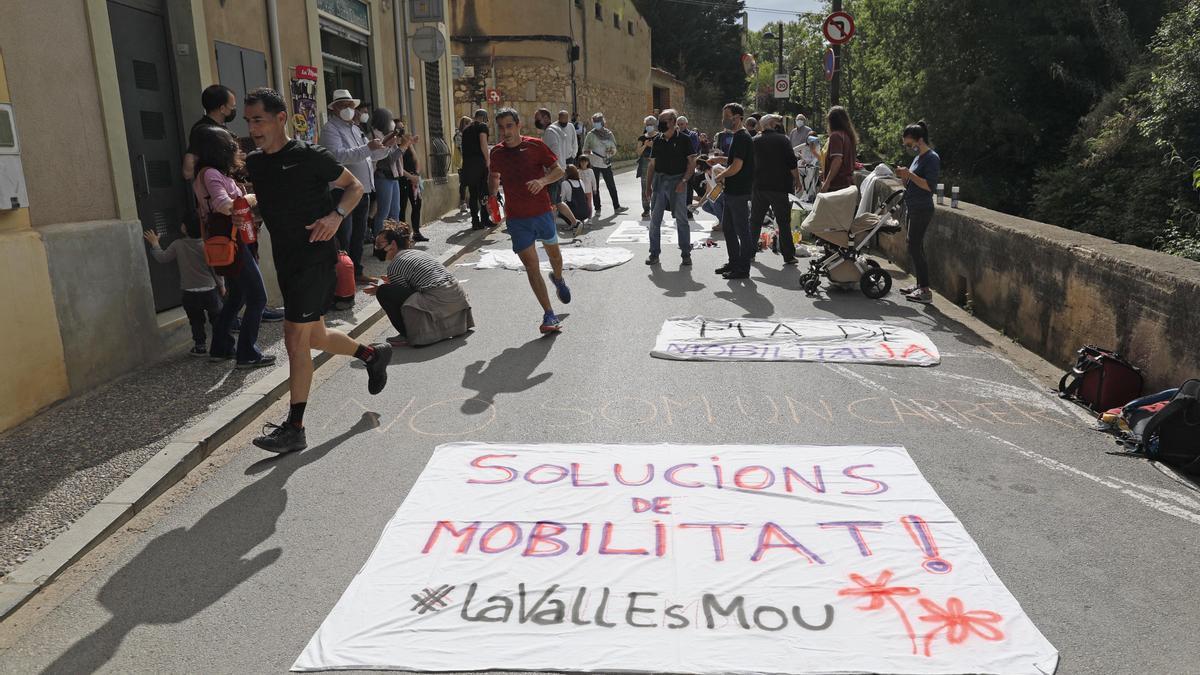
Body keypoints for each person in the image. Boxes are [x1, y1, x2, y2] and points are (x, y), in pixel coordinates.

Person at [242, 87, 393, 454]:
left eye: (258, 120)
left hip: (315, 257)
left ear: (280, 119)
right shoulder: (257, 163)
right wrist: (249, 207)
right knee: (316, 337)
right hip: (286, 258)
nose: (253, 128)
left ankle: (295, 427)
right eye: (248, 121)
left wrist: (335, 216)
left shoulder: (310, 156)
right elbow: (273, 199)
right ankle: (372, 355)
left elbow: (354, 187)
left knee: (295, 339)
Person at [190, 126, 273, 368]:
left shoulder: (212, 173)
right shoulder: (211, 174)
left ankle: (221, 346)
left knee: (237, 295)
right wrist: (251, 198)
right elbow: (225, 205)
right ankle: (247, 353)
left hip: (232, 238)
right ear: (220, 149)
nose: (237, 148)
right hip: (232, 239)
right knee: (258, 296)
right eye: (232, 144)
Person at [487, 107, 570, 333]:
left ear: (518, 126)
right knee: (532, 267)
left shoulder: (535, 145)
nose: (506, 132)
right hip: (517, 219)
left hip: (542, 212)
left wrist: (542, 181)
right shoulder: (497, 153)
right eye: (502, 127)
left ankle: (559, 279)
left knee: (555, 256)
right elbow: (494, 176)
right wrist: (492, 197)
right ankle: (549, 314)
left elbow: (559, 170)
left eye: (509, 126)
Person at [319, 89, 396, 283]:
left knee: (358, 235)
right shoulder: (330, 129)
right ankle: (343, 275)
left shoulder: (355, 128)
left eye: (350, 105)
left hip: (363, 190)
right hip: (343, 191)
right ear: (334, 108)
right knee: (345, 234)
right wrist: (368, 148)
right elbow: (338, 156)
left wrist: (386, 147)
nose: (348, 109)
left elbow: (370, 155)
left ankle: (356, 271)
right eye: (343, 105)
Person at [367, 224, 474, 347]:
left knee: (384, 292)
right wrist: (393, 284)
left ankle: (407, 334)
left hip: (439, 298)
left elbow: (402, 299)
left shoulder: (395, 266)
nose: (376, 248)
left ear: (393, 245)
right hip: (456, 295)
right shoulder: (418, 254)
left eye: (379, 245)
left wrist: (381, 289)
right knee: (388, 289)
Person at [143, 221, 224, 357]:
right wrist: (221, 286)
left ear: (185, 227)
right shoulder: (206, 244)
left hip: (189, 292)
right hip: (209, 289)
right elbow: (215, 269)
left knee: (196, 320)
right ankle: (220, 346)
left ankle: (200, 346)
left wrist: (155, 243)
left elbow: (162, 258)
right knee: (216, 319)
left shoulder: (178, 244)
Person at [643, 108, 698, 267]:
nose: (659, 124)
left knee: (681, 219)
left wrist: (684, 181)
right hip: (660, 182)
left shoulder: (685, 140)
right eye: (659, 121)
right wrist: (648, 187)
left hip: (678, 181)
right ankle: (654, 253)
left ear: (673, 122)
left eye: (663, 121)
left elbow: (692, 163)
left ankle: (686, 254)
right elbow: (652, 165)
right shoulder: (658, 140)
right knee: (655, 220)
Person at [896, 120, 941, 305]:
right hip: (913, 206)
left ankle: (925, 290)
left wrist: (910, 175)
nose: (908, 147)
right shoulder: (917, 158)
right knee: (914, 245)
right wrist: (903, 176)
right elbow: (912, 181)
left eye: (909, 144)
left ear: (919, 140)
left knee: (915, 246)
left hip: (922, 208)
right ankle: (919, 284)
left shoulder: (932, 158)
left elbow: (929, 186)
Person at [709, 102, 755, 279]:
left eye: (726, 116)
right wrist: (721, 159)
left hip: (739, 191)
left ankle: (743, 268)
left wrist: (721, 176)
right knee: (728, 228)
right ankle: (734, 262)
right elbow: (736, 159)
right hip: (732, 191)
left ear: (737, 118)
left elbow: (737, 166)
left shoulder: (742, 137)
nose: (724, 120)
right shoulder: (738, 137)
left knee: (742, 230)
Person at [750, 114, 801, 265]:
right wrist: (797, 180)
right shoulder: (783, 140)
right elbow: (792, 163)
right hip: (779, 187)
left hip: (759, 187)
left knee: (755, 221)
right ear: (772, 124)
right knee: (784, 221)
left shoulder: (754, 141)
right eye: (777, 122)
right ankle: (788, 256)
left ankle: (749, 252)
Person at [182, 84, 237, 181]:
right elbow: (188, 170)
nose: (234, 109)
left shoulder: (221, 129)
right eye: (232, 106)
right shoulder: (203, 131)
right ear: (222, 109)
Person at [369, 108, 404, 240]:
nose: (391, 122)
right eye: (389, 119)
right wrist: (402, 147)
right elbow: (388, 159)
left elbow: (396, 157)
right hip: (382, 176)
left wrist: (403, 145)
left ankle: (393, 242)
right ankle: (379, 244)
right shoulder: (373, 135)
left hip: (392, 177)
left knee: (395, 211)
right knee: (383, 212)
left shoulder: (389, 134)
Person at [582, 112, 625, 216]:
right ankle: (597, 208)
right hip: (594, 164)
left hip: (606, 163)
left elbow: (614, 147)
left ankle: (617, 206)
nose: (596, 124)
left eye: (598, 122)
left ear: (602, 122)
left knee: (611, 186)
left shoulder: (609, 134)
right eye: (594, 122)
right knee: (595, 187)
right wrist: (588, 152)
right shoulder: (590, 135)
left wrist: (611, 152)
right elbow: (584, 149)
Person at [462, 108, 493, 230]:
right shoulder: (482, 127)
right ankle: (485, 219)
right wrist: (488, 160)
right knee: (483, 193)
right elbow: (483, 143)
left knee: (473, 194)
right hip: (479, 163)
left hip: (468, 164)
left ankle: (475, 221)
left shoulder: (466, 130)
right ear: (484, 118)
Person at [397, 131, 428, 242]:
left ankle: (416, 232)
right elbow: (399, 166)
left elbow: (416, 160)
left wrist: (417, 175)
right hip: (403, 180)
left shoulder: (409, 145)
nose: (404, 132)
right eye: (400, 129)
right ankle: (403, 236)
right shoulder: (397, 147)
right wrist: (410, 177)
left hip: (414, 180)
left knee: (417, 205)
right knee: (402, 207)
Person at [819, 105, 858, 193]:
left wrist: (827, 183)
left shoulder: (835, 136)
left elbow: (837, 160)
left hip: (836, 185)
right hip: (847, 183)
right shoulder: (848, 136)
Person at [534, 108, 567, 208]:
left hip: (553, 171)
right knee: (557, 202)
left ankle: (551, 224)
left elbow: (553, 153)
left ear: (546, 118)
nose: (536, 121)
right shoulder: (556, 130)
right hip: (560, 169)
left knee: (551, 204)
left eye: (537, 118)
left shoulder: (549, 132)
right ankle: (575, 223)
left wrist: (548, 170)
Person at [635, 115, 658, 218]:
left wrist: (654, 145)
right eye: (647, 124)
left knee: (656, 187)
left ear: (655, 125)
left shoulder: (659, 136)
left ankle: (656, 208)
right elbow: (638, 152)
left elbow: (663, 151)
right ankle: (646, 209)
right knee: (645, 187)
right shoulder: (642, 138)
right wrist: (645, 145)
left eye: (651, 124)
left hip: (657, 163)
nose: (649, 126)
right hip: (644, 163)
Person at [454, 115, 472, 209]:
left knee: (470, 181)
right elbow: (460, 148)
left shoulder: (467, 134)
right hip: (462, 162)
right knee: (463, 183)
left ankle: (469, 202)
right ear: (465, 124)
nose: (470, 126)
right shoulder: (459, 135)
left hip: (467, 161)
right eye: (469, 124)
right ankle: (463, 203)